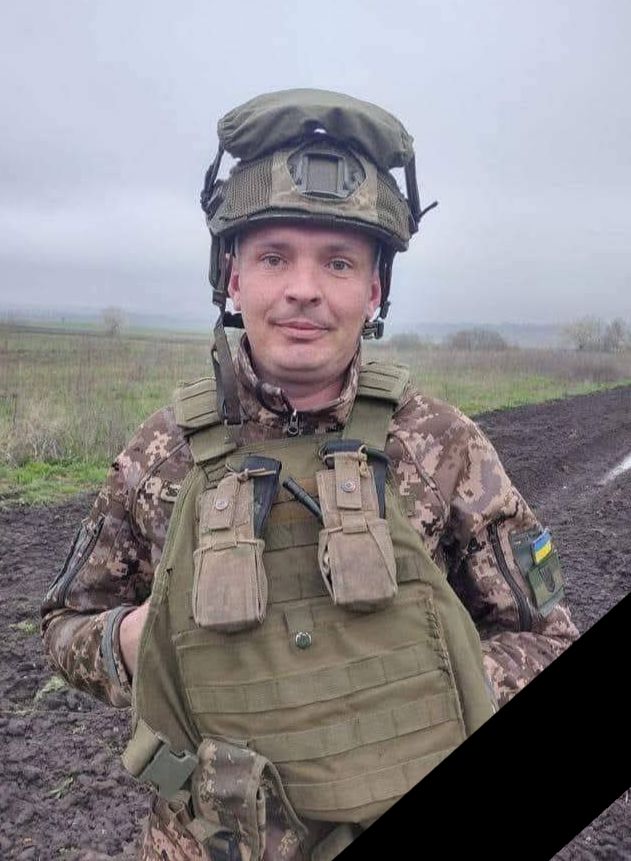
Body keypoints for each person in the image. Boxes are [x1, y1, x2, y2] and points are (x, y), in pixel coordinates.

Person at [41, 89, 579, 861]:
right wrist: (135, 641)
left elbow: (548, 634)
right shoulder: (161, 451)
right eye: (273, 256)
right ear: (232, 276)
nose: (303, 287)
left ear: (373, 290)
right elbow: (63, 626)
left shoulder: (441, 444)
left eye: (338, 261)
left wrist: (431, 698)